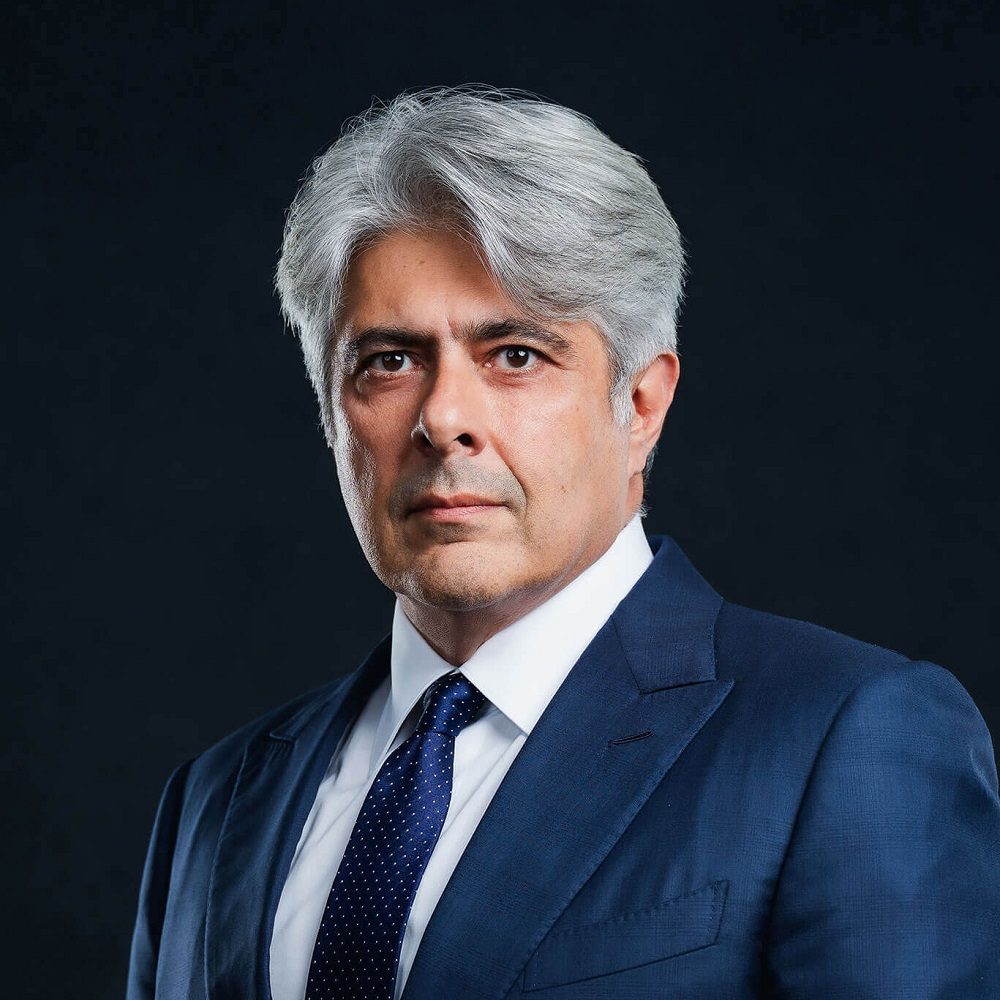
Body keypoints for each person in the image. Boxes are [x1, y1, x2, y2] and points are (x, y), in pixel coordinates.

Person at [126, 86, 1000, 1000]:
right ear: (332, 413)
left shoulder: (845, 740)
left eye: (516, 355)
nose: (444, 418)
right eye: (389, 361)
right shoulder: (214, 801)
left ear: (642, 404)